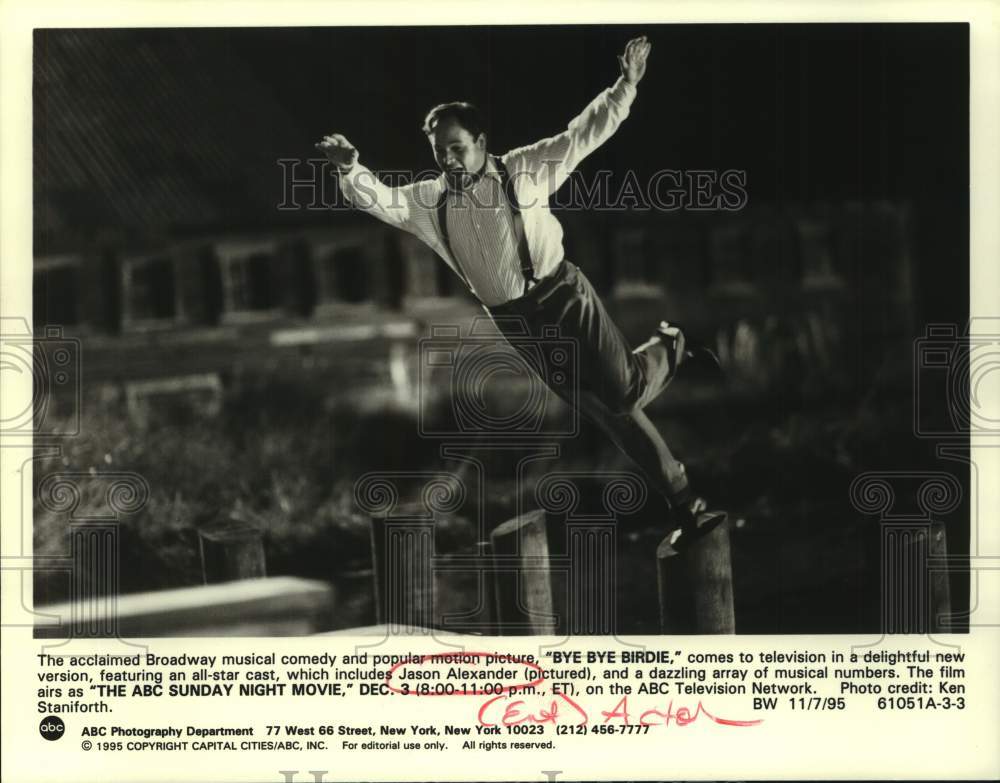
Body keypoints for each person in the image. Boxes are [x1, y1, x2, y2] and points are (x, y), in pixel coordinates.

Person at [316, 35, 723, 548]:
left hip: (561, 295)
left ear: (482, 143)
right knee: (604, 413)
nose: (450, 160)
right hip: (514, 321)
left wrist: (625, 86)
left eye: (458, 148)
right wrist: (349, 168)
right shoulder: (429, 200)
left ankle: (671, 345)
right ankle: (686, 503)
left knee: (623, 392)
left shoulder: (524, 170)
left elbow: (582, 135)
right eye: (440, 152)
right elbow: (381, 202)